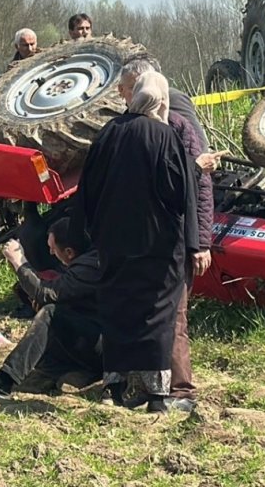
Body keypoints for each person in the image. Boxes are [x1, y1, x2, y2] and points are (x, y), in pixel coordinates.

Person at [70, 67, 197, 412]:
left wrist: (86, 232)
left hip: (113, 241)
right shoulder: (163, 135)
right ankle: (157, 396)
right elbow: (179, 195)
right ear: (161, 99)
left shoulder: (108, 133)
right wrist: (191, 241)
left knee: (117, 309)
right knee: (157, 312)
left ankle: (117, 386)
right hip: (157, 244)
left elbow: (88, 187)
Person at [117, 59, 218, 412]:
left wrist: (201, 242)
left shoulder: (178, 127)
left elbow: (199, 187)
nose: (124, 94)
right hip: (146, 241)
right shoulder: (127, 130)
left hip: (178, 239)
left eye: (129, 88)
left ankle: (182, 390)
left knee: (174, 315)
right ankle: (148, 386)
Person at [0, 218, 102, 399]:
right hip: (96, 339)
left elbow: (44, 293)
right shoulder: (90, 260)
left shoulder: (87, 268)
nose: (51, 253)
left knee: (50, 314)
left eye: (53, 250)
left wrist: (19, 263)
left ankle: (4, 380)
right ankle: (51, 372)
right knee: (55, 313)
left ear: (69, 252)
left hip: (103, 348)